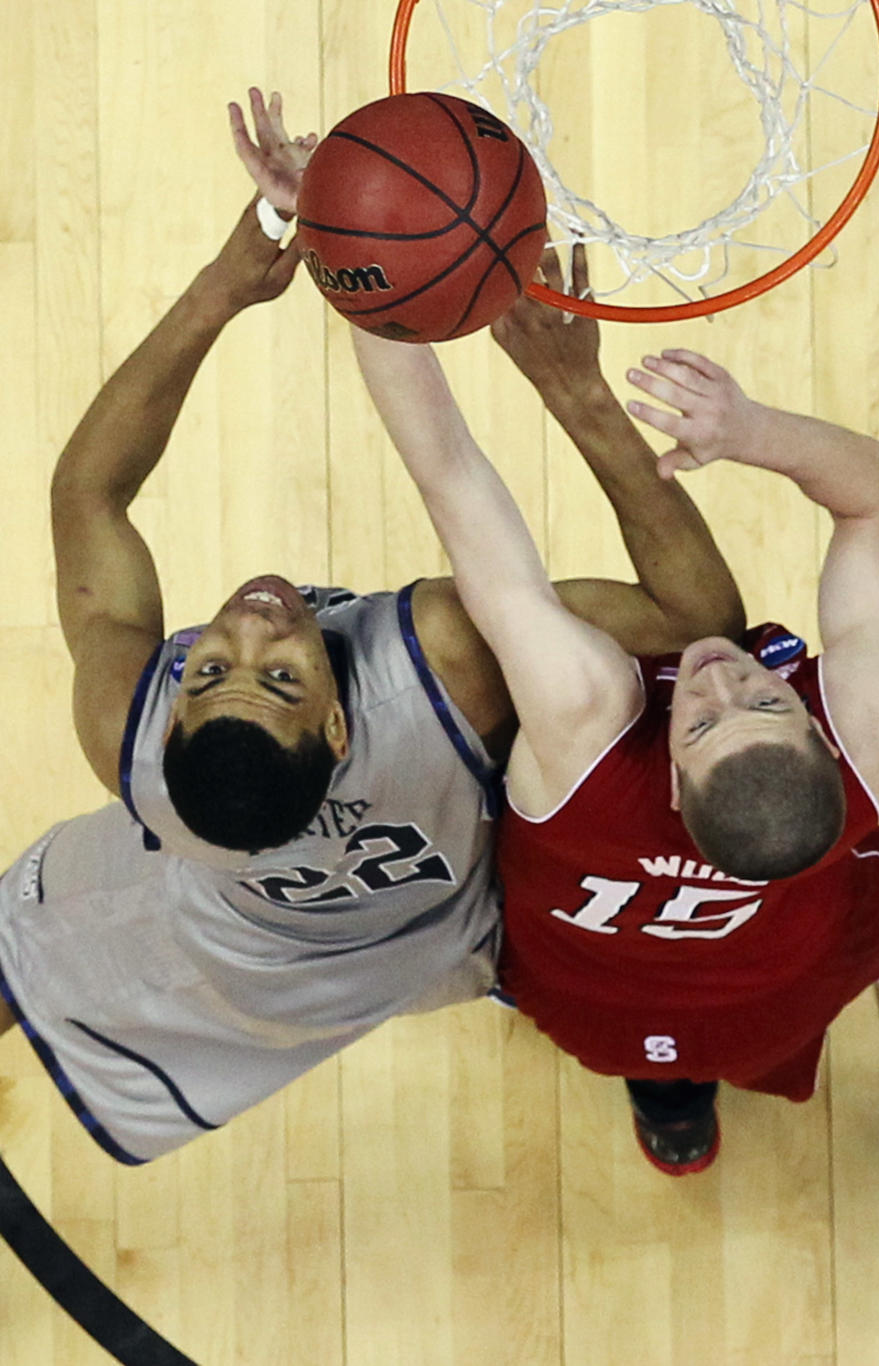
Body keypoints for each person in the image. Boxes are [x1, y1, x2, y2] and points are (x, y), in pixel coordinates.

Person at [0, 94, 743, 1165]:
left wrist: (225, 287)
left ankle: (666, 1085)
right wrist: (578, 396)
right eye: (287, 676)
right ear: (343, 729)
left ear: (166, 736)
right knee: (619, 933)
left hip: (242, 947)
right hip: (451, 935)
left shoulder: (134, 733)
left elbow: (89, 493)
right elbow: (698, 621)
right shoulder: (441, 663)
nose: (255, 624)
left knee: (28, 943)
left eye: (209, 667)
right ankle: (668, 1088)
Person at [350, 331, 879, 1254]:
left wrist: (372, 286)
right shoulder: (870, 746)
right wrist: (748, 428)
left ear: (671, 779)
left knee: (638, 1031)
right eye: (762, 699)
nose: (719, 677)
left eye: (707, 721)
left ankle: (670, 1113)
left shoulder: (584, 721)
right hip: (768, 1008)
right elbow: (875, 500)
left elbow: (453, 483)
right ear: (819, 734)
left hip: (573, 999)